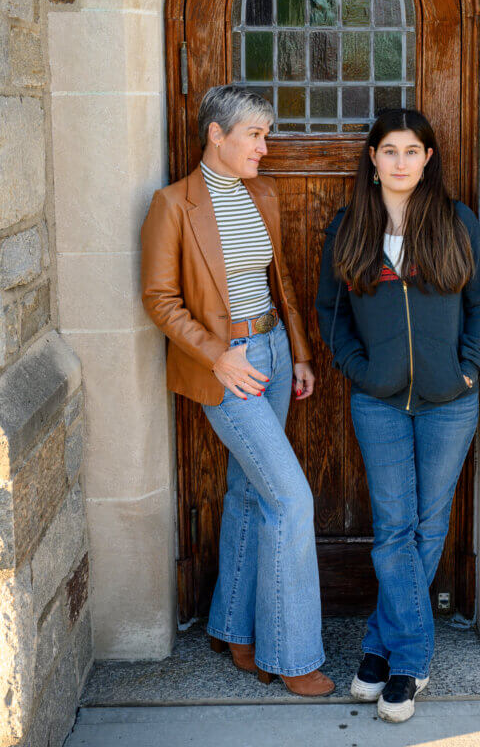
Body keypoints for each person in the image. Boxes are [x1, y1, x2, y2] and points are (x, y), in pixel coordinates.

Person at [141, 86, 333, 697]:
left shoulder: (264, 194)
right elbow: (159, 299)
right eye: (255, 134)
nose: (265, 146)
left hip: (273, 350)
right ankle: (292, 654)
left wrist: (298, 351)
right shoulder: (172, 205)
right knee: (292, 501)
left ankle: (233, 629)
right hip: (228, 367)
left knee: (249, 493)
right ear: (216, 135)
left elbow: (280, 282)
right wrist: (218, 356)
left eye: (266, 134)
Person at [315, 108, 480, 722]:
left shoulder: (456, 222)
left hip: (451, 400)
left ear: (427, 158)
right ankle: (411, 661)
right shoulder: (349, 228)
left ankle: (377, 649)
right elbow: (331, 313)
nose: (399, 162)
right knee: (395, 529)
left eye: (411, 151)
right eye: (388, 150)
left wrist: (470, 366)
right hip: (380, 400)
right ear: (373, 159)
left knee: (428, 522)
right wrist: (359, 370)